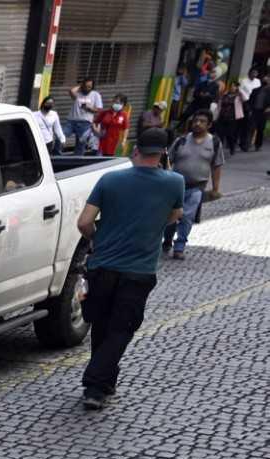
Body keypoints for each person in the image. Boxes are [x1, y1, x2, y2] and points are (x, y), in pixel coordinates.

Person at [73, 127, 183, 411]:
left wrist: (99, 237)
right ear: (163, 154)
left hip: (102, 266)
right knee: (122, 328)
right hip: (138, 271)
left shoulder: (110, 179)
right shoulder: (175, 182)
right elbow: (174, 217)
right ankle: (95, 384)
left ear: (135, 150)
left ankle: (103, 384)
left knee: (102, 324)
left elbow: (84, 222)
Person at [164, 112, 226, 260]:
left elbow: (216, 166)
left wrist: (216, 188)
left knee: (186, 216)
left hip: (197, 187)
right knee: (171, 215)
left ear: (209, 125)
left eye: (202, 121)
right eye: (195, 120)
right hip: (176, 186)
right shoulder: (181, 140)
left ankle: (179, 246)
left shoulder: (214, 143)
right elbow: (168, 160)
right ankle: (167, 239)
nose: (197, 123)